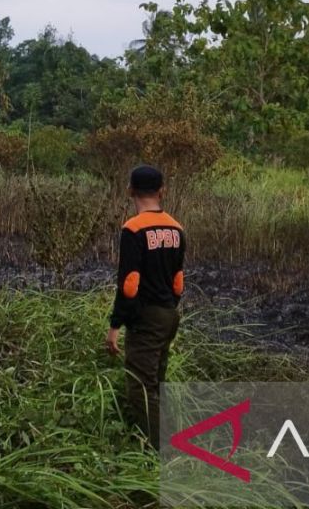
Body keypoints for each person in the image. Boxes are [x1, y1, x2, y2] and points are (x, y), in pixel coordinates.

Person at [105, 164, 185, 445]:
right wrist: (168, 307)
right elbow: (178, 281)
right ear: (162, 191)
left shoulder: (133, 229)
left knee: (140, 388)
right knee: (156, 383)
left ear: (130, 191)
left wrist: (115, 325)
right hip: (169, 315)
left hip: (147, 318)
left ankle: (159, 451)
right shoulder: (177, 228)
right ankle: (167, 438)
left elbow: (129, 284)